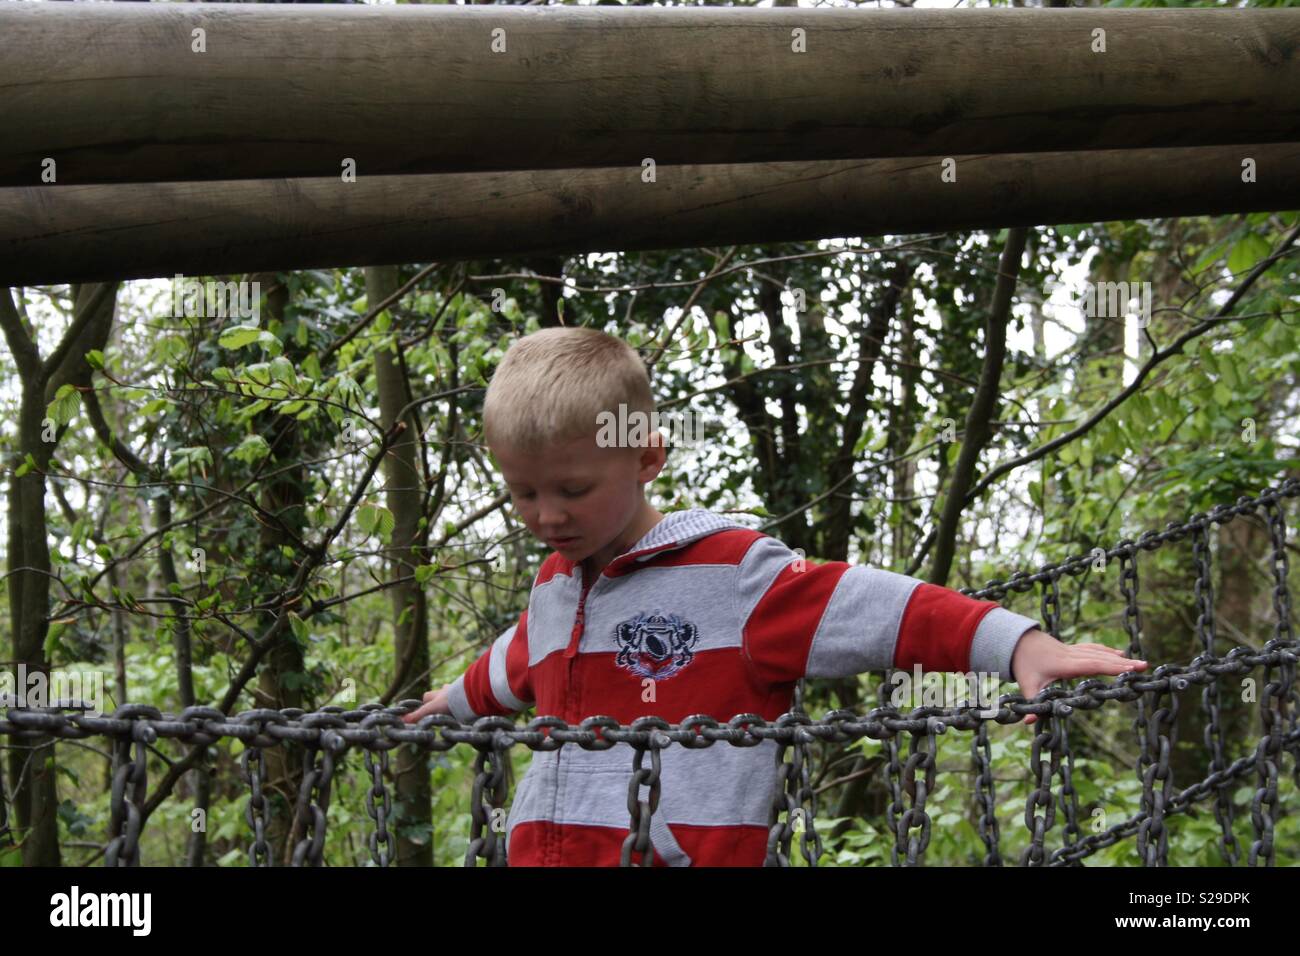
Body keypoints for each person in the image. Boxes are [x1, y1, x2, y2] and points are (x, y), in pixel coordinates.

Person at [401, 326, 1146, 866]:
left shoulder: (734, 576)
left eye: (572, 489)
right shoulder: (557, 584)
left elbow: (878, 608)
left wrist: (1016, 643)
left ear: (647, 456)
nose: (547, 516)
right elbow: (525, 655)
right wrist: (458, 699)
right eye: (522, 492)